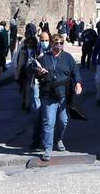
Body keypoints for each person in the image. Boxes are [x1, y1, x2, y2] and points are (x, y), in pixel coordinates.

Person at [30, 33, 82, 161]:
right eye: (56, 43)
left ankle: (59, 139)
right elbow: (32, 69)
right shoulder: (44, 58)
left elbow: (76, 72)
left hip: (63, 94)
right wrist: (38, 71)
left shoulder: (68, 58)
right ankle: (48, 149)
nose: (58, 45)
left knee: (63, 121)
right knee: (49, 122)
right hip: (48, 95)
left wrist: (78, 84)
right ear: (52, 44)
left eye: (61, 43)